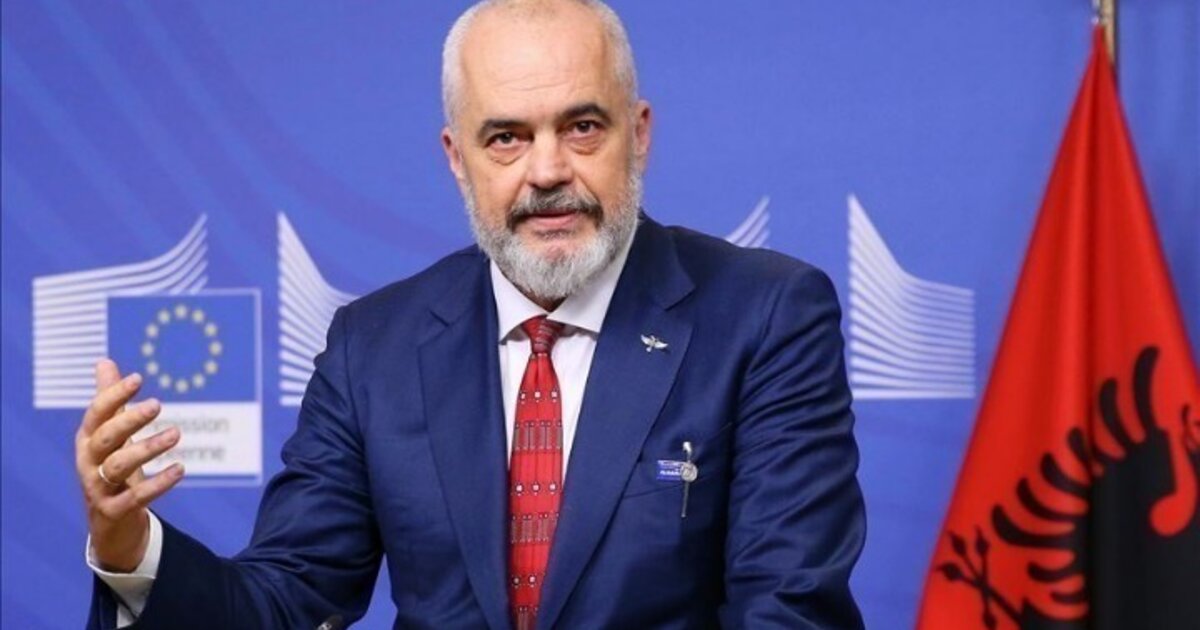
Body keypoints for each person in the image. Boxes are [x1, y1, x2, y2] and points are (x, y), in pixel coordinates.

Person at [77, 1, 866, 627]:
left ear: (639, 135)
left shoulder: (765, 316)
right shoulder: (373, 348)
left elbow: (788, 609)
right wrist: (130, 546)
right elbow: (286, 601)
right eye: (507, 139)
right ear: (458, 158)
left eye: (582, 127)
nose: (547, 170)